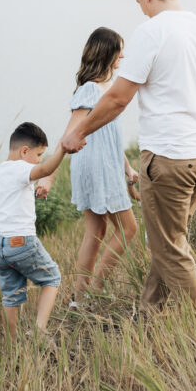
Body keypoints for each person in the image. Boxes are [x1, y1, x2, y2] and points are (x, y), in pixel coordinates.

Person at [60, 0, 196, 314]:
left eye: (139, 1)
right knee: (168, 240)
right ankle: (148, 313)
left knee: (169, 248)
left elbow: (117, 98)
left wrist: (77, 133)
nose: (140, 9)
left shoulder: (150, 32)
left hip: (170, 160)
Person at [61, 27, 140, 308]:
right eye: (119, 49)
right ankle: (95, 288)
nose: (123, 55)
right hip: (95, 166)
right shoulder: (91, 89)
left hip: (103, 163)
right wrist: (48, 173)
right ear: (107, 53)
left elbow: (109, 139)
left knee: (96, 231)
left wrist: (128, 170)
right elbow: (71, 132)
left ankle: (80, 299)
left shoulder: (102, 90)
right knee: (128, 229)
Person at [0, 121, 66, 340]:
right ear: (25, 151)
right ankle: (40, 330)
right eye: (39, 154)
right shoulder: (22, 167)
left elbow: (17, 194)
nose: (40, 159)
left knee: (12, 295)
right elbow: (45, 169)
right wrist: (63, 149)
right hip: (20, 241)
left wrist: (36, 187)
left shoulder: (0, 171)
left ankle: (12, 343)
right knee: (52, 278)